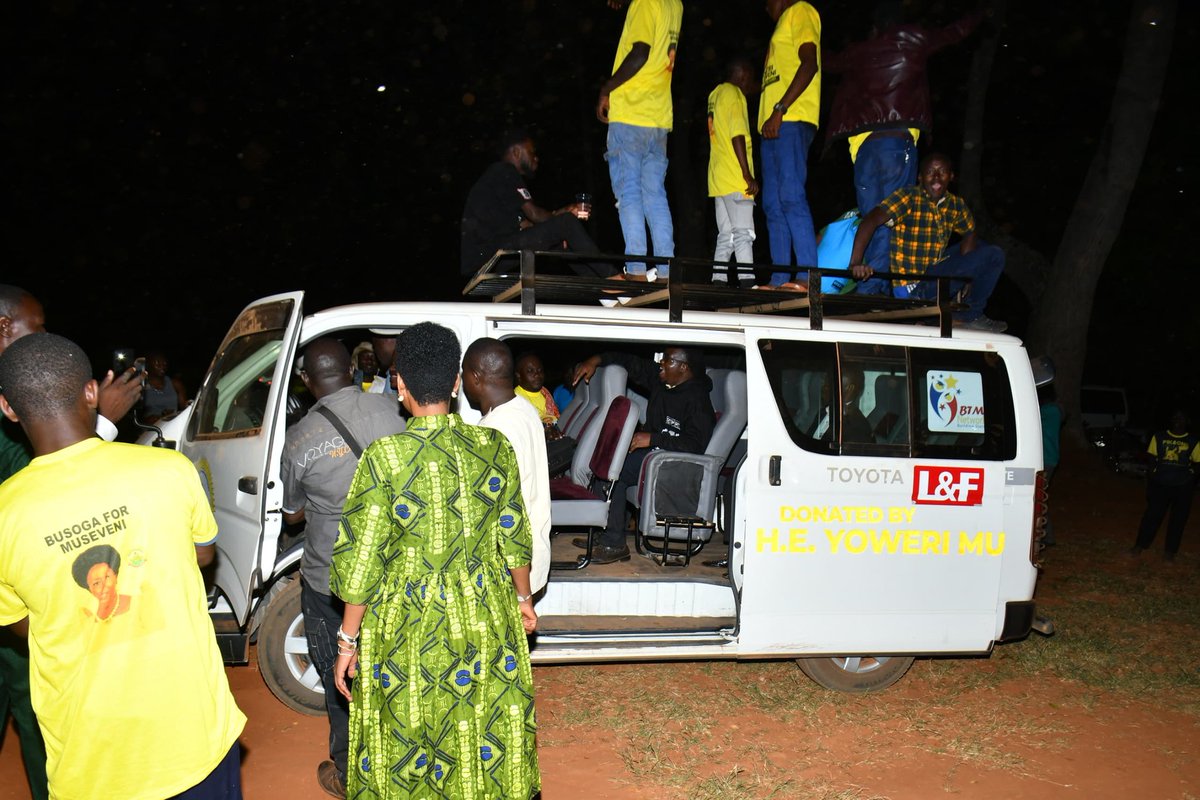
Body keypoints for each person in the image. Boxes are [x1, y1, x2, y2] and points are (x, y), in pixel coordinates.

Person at [0, 332, 245, 799]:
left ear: (9, 409)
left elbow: (23, 626)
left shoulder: (4, 514)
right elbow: (203, 555)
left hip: (92, 761)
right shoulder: (169, 471)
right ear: (91, 392)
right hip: (193, 737)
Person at [330, 322, 540, 799]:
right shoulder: (494, 447)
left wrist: (347, 641)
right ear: (454, 384)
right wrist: (523, 600)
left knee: (407, 735)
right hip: (484, 614)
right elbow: (512, 535)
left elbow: (362, 562)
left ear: (399, 382)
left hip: (407, 622)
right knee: (481, 729)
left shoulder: (385, 458)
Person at [0, 284, 143, 800]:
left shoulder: (14, 400)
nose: (43, 337)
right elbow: (46, 481)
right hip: (21, 585)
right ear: (3, 328)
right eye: (35, 328)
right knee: (40, 712)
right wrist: (98, 421)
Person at [280, 337, 406, 798]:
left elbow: (292, 512)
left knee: (339, 675)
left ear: (308, 381)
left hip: (330, 574)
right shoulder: (393, 409)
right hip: (395, 567)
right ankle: (401, 761)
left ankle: (350, 771)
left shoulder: (299, 438)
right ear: (351, 370)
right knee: (397, 666)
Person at [824, 3, 981, 273]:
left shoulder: (859, 52)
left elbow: (827, 61)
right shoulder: (911, 41)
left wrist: (804, 42)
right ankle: (875, 287)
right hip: (896, 145)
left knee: (871, 217)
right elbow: (952, 33)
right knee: (891, 219)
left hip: (863, 150)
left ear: (874, 28)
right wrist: (980, 14)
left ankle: (868, 282)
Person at [571, 346, 715, 563]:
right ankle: (606, 532)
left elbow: (695, 445)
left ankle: (614, 542)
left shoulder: (698, 400)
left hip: (675, 463)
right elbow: (627, 360)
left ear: (684, 367)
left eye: (667, 360)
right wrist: (596, 359)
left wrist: (651, 439)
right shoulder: (661, 381)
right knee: (609, 461)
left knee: (615, 470)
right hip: (655, 455)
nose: (661, 364)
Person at [848, 152, 1008, 332]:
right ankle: (971, 316)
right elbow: (870, 220)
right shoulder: (909, 197)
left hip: (935, 274)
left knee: (987, 250)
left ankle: (966, 313)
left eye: (942, 172)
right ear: (920, 177)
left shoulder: (955, 204)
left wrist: (968, 276)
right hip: (913, 287)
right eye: (931, 172)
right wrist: (855, 263)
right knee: (993, 254)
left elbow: (969, 232)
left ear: (951, 176)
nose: (937, 177)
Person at [598, 0, 683, 280]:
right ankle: (666, 270)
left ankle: (635, 270)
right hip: (658, 118)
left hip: (632, 112)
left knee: (629, 193)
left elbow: (641, 53)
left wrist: (607, 87)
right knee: (655, 196)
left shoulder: (646, 2)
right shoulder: (675, 5)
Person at [462, 339, 552, 596]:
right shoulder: (523, 409)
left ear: (476, 377)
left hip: (509, 566)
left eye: (464, 372)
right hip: (530, 554)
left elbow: (498, 512)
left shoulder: (494, 430)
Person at [460, 129, 609, 278]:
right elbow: (534, 214)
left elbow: (528, 224)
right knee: (565, 223)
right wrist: (563, 219)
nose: (536, 158)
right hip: (485, 255)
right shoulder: (505, 170)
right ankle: (612, 276)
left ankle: (603, 289)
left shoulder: (501, 184)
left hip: (483, 259)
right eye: (531, 152)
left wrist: (561, 216)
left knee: (559, 239)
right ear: (517, 152)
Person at [759, 0, 822, 287]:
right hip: (771, 126)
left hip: (790, 118)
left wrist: (780, 109)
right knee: (772, 203)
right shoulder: (779, 26)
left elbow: (810, 64)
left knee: (791, 196)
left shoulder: (801, 11)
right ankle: (780, 277)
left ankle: (809, 275)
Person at [707, 57, 760, 283]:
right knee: (744, 233)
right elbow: (737, 134)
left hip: (718, 179)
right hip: (735, 176)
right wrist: (747, 174)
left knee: (726, 235)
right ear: (743, 75)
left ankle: (718, 280)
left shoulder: (715, 95)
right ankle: (748, 281)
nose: (750, 86)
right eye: (750, 79)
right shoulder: (735, 95)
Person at [1131, 410, 1199, 561]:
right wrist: (1153, 476)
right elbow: (1152, 458)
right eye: (1175, 417)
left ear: (1187, 421)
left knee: (1178, 519)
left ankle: (1170, 551)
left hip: (1183, 486)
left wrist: (1190, 478)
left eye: (1181, 418)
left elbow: (1197, 462)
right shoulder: (1159, 436)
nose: (1177, 420)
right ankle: (1140, 545)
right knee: (1151, 516)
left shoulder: (1193, 441)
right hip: (1161, 483)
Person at [1038, 382, 1063, 547]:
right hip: (1048, 457)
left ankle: (1046, 537)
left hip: (1046, 458)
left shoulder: (1049, 411)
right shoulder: (1054, 410)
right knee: (1040, 498)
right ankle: (1047, 537)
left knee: (1039, 499)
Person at [141, 350, 189, 424]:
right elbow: (136, 414)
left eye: (164, 364)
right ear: (148, 365)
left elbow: (185, 409)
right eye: (157, 363)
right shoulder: (142, 386)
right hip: (149, 428)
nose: (162, 367)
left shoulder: (175, 384)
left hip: (171, 425)